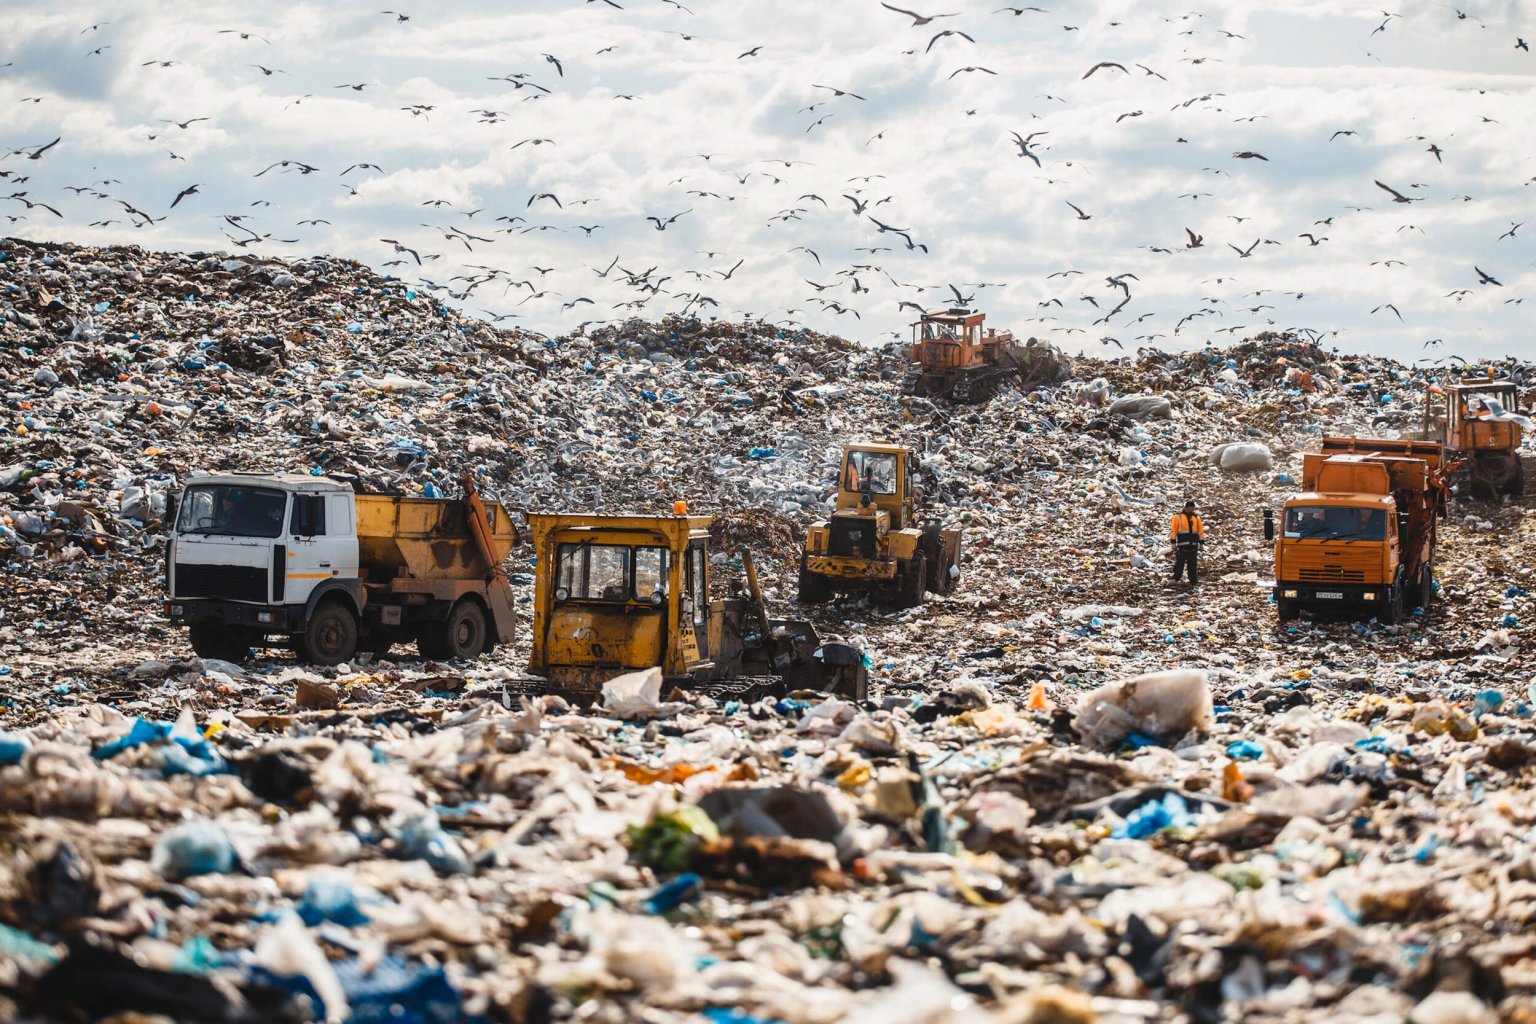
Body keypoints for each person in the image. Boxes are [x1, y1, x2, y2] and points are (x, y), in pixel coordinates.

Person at [1169, 499, 1205, 586]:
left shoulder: (1196, 517)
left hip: (1193, 544)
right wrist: (1173, 542)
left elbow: (1200, 531)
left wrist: (1201, 543)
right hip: (1182, 544)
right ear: (1185, 508)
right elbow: (1173, 530)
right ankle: (1176, 578)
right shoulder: (1178, 517)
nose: (1190, 510)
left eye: (1192, 508)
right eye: (1189, 508)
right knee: (1179, 563)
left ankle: (1193, 581)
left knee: (1192, 564)